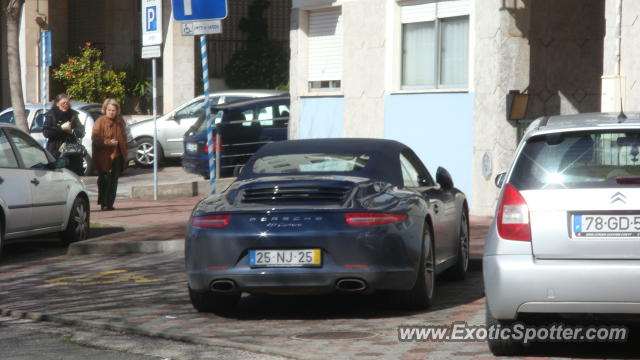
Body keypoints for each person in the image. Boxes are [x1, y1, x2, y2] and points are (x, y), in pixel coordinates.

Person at [92, 99, 128, 211]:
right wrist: (108, 142)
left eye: (113, 110)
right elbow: (95, 139)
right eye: (109, 110)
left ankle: (110, 203)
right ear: (105, 110)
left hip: (118, 156)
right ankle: (104, 203)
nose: (111, 112)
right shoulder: (100, 121)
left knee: (114, 182)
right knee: (104, 181)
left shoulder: (120, 121)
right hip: (104, 157)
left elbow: (124, 137)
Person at [43, 93, 85, 175]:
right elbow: (46, 133)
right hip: (56, 150)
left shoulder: (73, 115)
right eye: (63, 103)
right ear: (57, 103)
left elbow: (81, 132)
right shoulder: (51, 115)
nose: (66, 105)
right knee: (57, 175)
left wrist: (72, 131)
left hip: (72, 151)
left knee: (73, 174)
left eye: (67, 103)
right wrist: (61, 129)